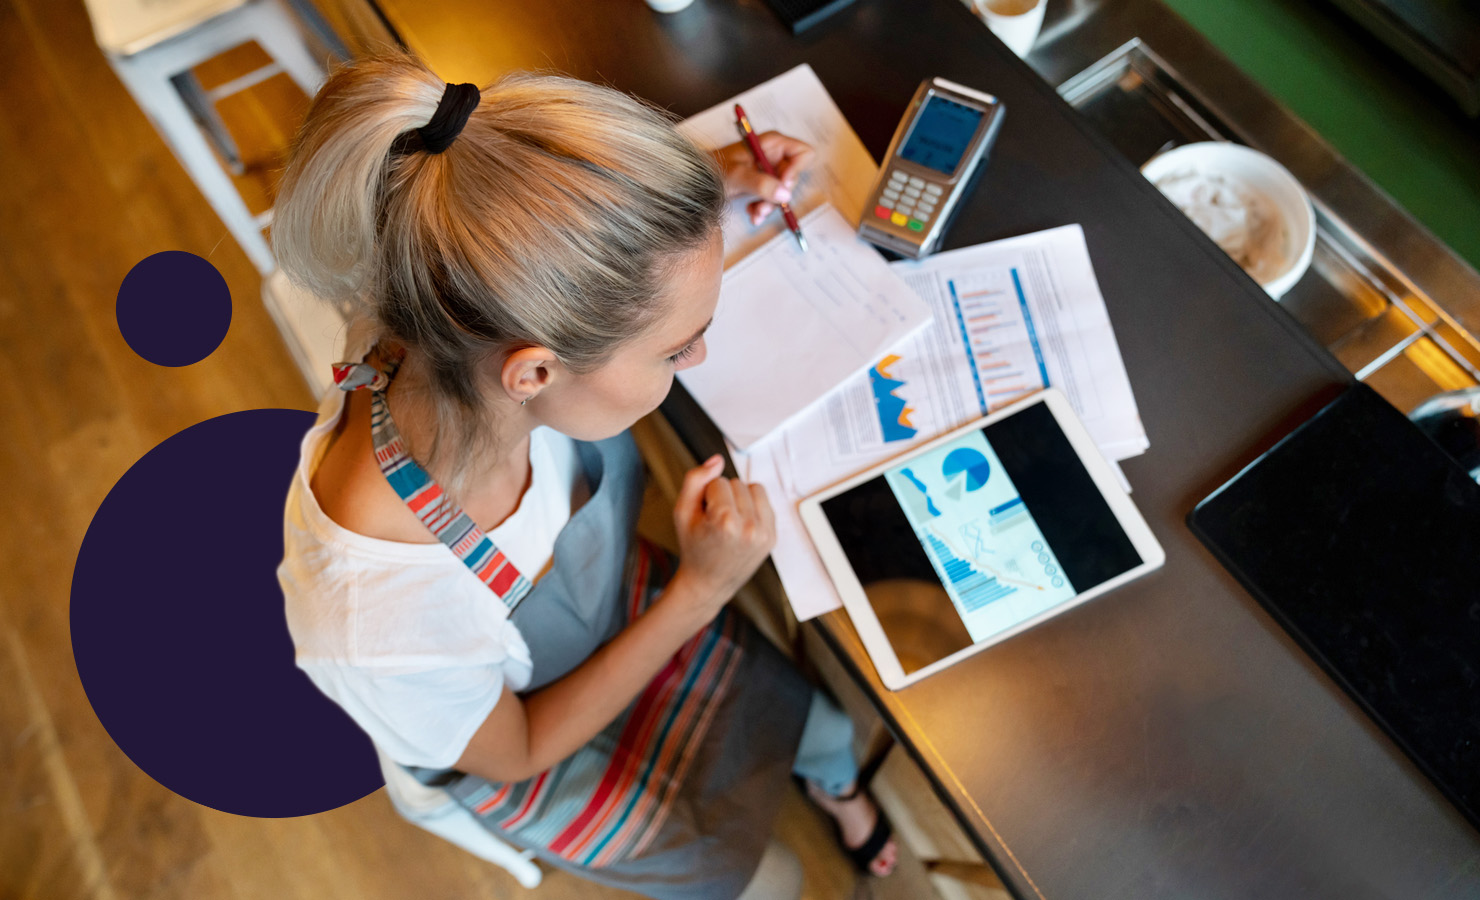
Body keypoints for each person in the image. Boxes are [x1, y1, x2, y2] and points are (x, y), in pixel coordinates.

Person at [273, 50, 898, 898]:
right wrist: (700, 594)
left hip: (598, 602)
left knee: (810, 719)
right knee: (768, 879)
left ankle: (835, 783)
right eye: (678, 347)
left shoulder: (442, 313)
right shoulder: (380, 623)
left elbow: (516, 218)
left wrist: (713, 181)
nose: (700, 354)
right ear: (533, 373)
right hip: (522, 736)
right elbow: (519, 751)